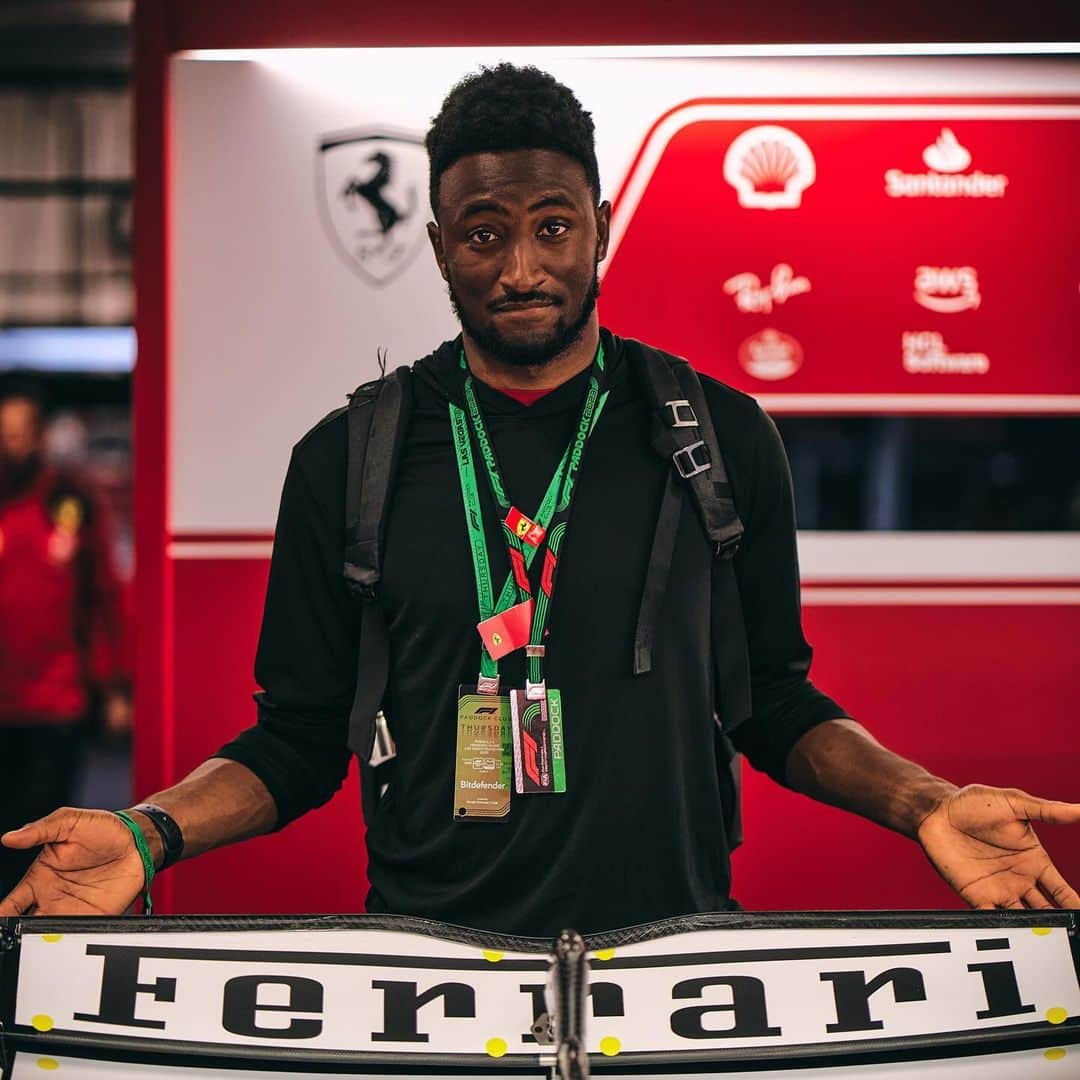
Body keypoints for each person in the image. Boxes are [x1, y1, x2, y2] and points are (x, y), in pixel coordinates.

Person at [2, 66, 1077, 935]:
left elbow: (775, 706)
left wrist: (925, 802)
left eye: (553, 227)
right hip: (426, 970)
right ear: (436, 247)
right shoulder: (348, 456)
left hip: (673, 962)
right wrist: (149, 834)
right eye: (483, 233)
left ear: (601, 227)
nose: (521, 267)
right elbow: (296, 741)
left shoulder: (717, 435)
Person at [0, 378, 131, 897]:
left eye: (19, 432)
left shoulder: (71, 499)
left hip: (55, 701)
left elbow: (106, 593)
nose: (10, 444)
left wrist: (118, 685)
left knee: (41, 837)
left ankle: (30, 944)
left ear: (39, 434)